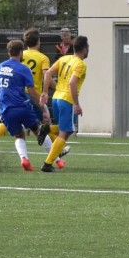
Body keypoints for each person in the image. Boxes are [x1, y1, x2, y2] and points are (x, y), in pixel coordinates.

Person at [0, 27, 63, 159]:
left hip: (14, 95)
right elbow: (46, 76)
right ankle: (56, 152)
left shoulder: (15, 57)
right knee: (42, 126)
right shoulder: (43, 58)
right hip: (32, 95)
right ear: (38, 41)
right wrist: (57, 88)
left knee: (13, 122)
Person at [0, 39, 50, 171]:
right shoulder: (24, 69)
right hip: (21, 107)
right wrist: (44, 109)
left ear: (8, 52)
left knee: (19, 135)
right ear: (21, 52)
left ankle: (24, 159)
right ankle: (56, 160)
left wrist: (0, 110)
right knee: (38, 130)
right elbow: (33, 93)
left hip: (6, 109)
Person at [40, 34, 88, 173]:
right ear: (84, 49)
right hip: (67, 100)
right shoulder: (80, 64)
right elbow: (72, 83)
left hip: (56, 98)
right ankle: (47, 164)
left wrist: (45, 92)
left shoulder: (64, 59)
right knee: (65, 132)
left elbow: (47, 74)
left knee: (67, 129)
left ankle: (48, 129)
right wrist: (77, 104)